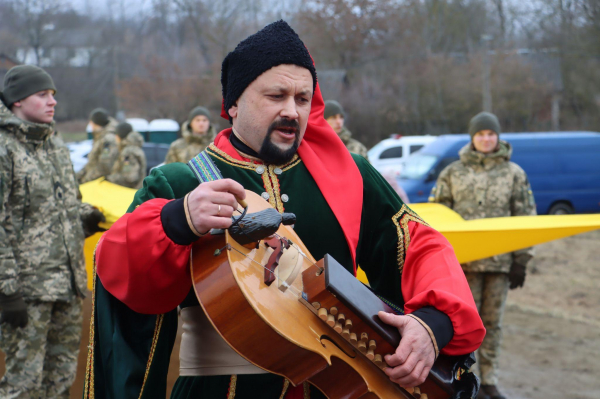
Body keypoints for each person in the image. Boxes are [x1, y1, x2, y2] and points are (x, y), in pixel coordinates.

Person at [86, 21, 485, 399]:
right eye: (276, 96)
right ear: (233, 103)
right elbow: (119, 274)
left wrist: (431, 326)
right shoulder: (179, 184)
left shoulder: (351, 175)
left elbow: (422, 249)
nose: (293, 111)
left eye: (302, 99)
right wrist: (179, 219)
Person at [0, 65, 105, 398]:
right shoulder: (4, 149)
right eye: (42, 95)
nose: (52, 102)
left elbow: (65, 205)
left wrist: (87, 217)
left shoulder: (55, 144)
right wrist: (7, 291)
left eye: (53, 95)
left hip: (69, 284)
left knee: (59, 383)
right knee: (23, 386)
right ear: (17, 101)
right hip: (27, 291)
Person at [429, 111, 536, 399]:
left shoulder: (514, 173)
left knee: (493, 324)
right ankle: (462, 378)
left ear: (498, 137)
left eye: (491, 134)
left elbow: (526, 219)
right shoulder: (453, 172)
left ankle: (489, 380)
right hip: (462, 265)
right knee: (462, 325)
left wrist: (522, 261)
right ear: (472, 137)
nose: (486, 139)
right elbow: (436, 219)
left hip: (500, 265)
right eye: (481, 134)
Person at [76, 108, 119, 184]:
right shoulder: (101, 137)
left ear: (95, 123)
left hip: (101, 184)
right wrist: (77, 177)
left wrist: (85, 180)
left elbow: (104, 166)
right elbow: (91, 163)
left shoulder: (108, 139)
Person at [106, 122, 147, 189]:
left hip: (128, 194)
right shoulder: (134, 148)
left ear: (119, 136)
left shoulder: (128, 152)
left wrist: (110, 179)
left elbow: (130, 177)